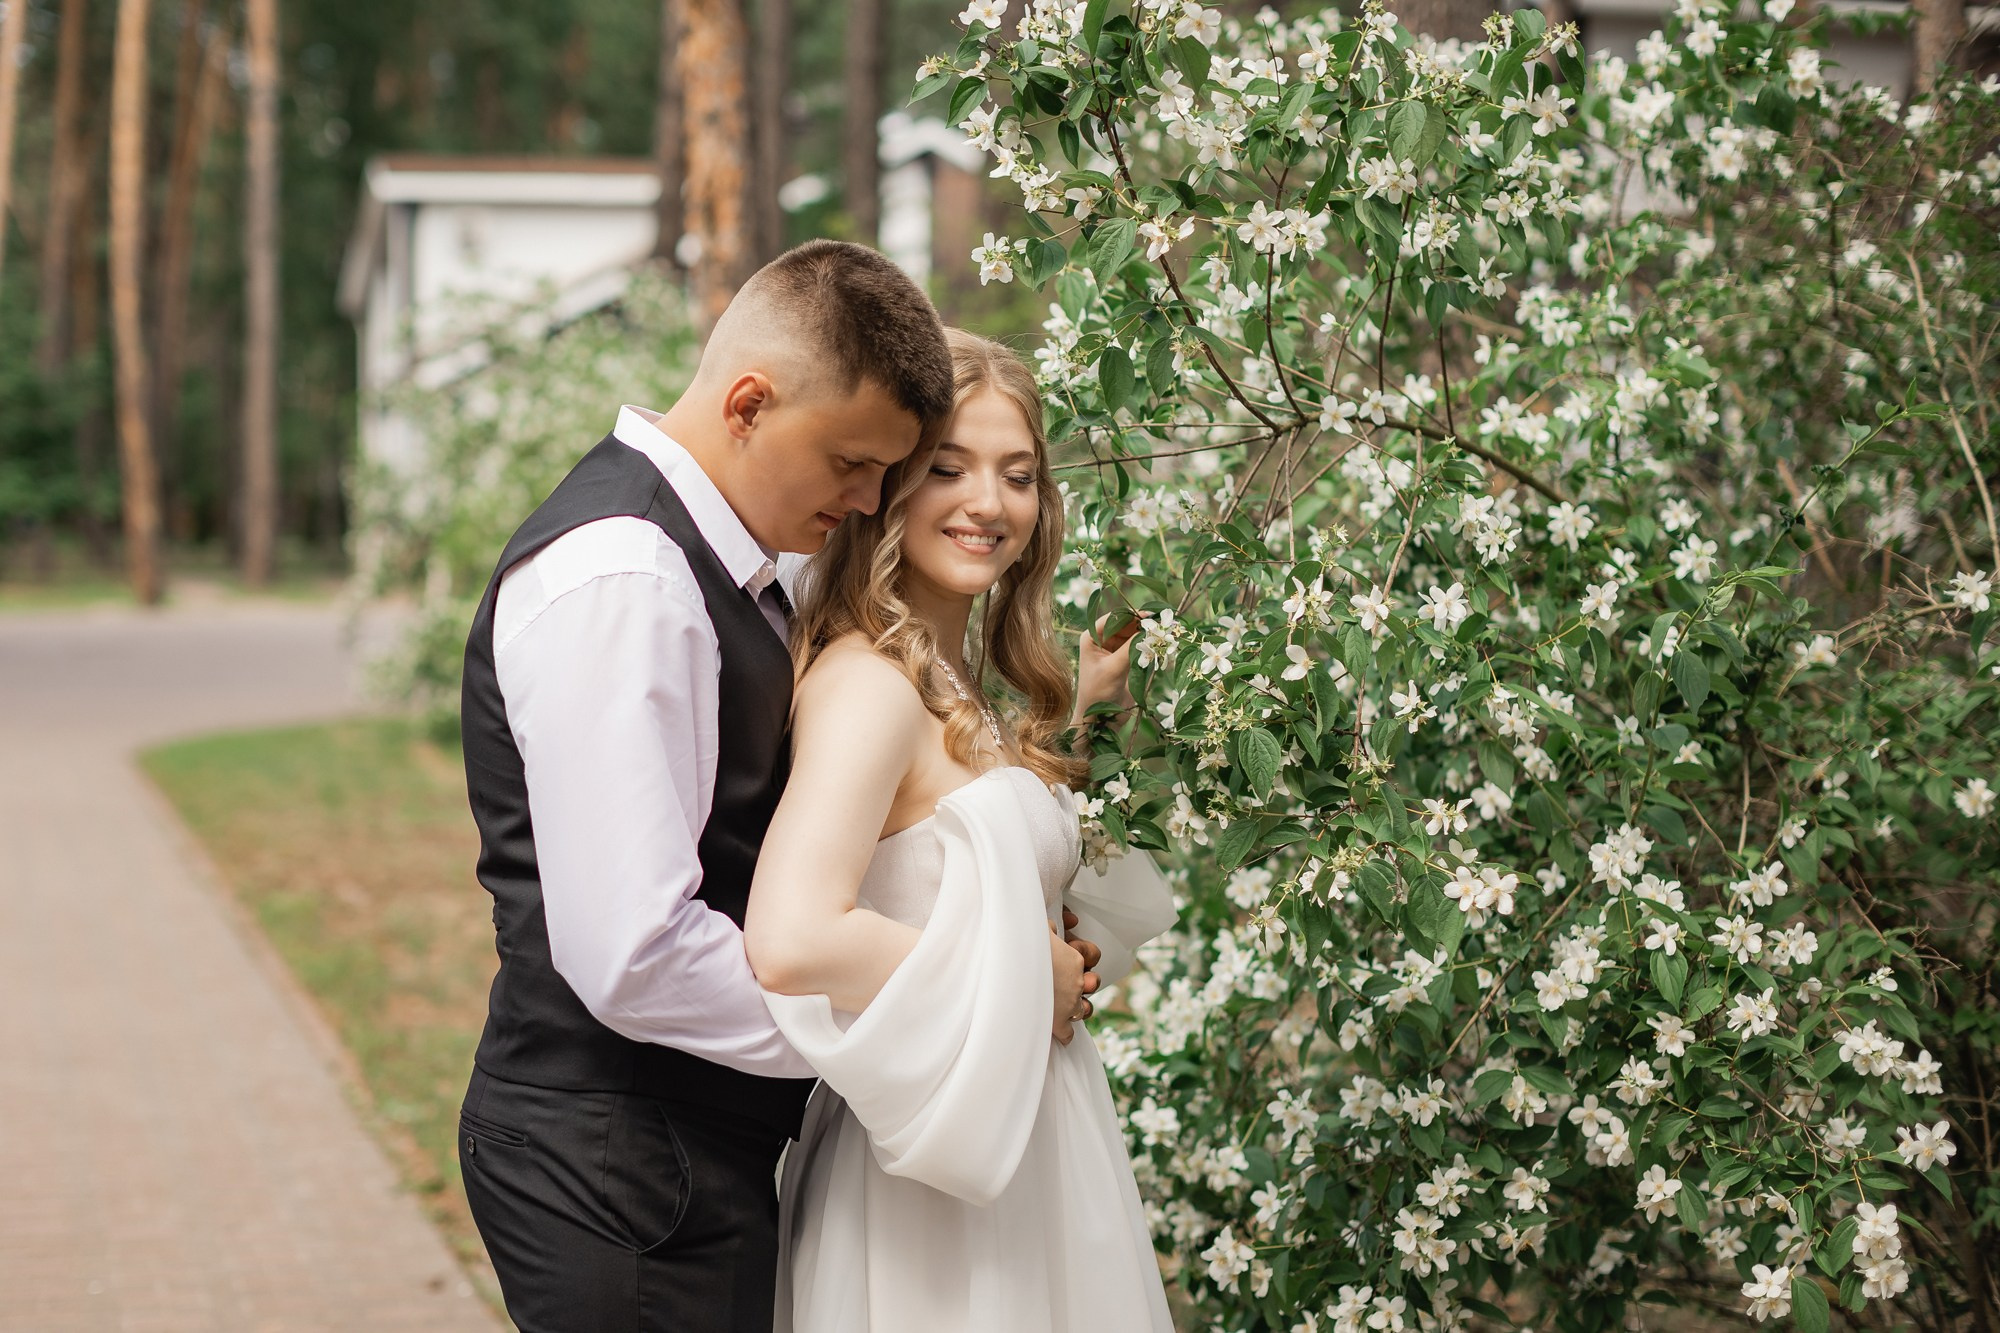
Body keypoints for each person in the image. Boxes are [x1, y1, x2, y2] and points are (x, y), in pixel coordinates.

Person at [452, 241, 1105, 1333]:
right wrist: (978, 994)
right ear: (748, 403)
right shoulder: (628, 576)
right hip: (617, 1160)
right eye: (856, 463)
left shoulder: (740, 575)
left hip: (680, 1151)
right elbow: (637, 955)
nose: (866, 500)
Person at [745, 328, 1178, 1332]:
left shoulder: (951, 686)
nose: (989, 503)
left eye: (1017, 475)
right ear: (886, 486)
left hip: (1031, 1140)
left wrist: (1084, 720)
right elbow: (793, 937)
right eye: (949, 468)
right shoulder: (866, 684)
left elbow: (943, 850)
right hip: (934, 1181)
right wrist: (1029, 974)